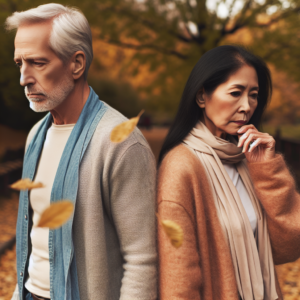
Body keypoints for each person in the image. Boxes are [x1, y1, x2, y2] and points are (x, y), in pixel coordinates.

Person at [6, 4, 157, 300]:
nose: (24, 78)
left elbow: (143, 260)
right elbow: (32, 236)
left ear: (76, 63)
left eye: (37, 62)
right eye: (19, 64)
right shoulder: (37, 135)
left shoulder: (121, 143)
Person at [157, 45, 300, 300]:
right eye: (236, 93)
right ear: (202, 97)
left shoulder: (245, 158)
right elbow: (179, 276)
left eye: (253, 95)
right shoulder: (181, 167)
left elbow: (289, 246)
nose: (247, 106)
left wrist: (267, 170)